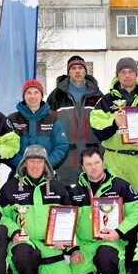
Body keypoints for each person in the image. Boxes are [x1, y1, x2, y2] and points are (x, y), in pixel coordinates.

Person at [0, 146, 73, 274]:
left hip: (48, 244)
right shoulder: (10, 187)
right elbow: (1, 216)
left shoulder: (57, 187)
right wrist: (14, 232)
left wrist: (62, 238)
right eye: (31, 161)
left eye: (39, 161)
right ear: (24, 163)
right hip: (23, 242)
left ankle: (40, 271)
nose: (35, 165)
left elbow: (67, 218)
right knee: (23, 256)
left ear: (45, 165)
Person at [89, 57, 138, 206]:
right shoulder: (106, 100)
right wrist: (114, 123)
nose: (127, 75)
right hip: (115, 161)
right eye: (123, 72)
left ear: (136, 74)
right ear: (117, 75)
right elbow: (96, 127)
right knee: (114, 208)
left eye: (131, 71)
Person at [68, 147, 138, 274]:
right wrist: (74, 249)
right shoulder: (75, 192)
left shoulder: (120, 185)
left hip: (110, 242)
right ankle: (91, 270)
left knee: (106, 255)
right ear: (82, 168)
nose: (93, 167)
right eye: (89, 164)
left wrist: (119, 231)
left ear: (103, 163)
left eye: (97, 162)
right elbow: (67, 223)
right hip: (86, 245)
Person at [45, 55, 103, 185]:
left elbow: (104, 127)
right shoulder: (56, 96)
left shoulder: (98, 96)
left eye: (80, 68)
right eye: (73, 68)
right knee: (67, 199)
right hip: (66, 159)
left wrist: (101, 153)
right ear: (68, 72)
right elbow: (48, 127)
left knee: (91, 198)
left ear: (85, 71)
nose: (77, 71)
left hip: (92, 158)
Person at [7, 79, 68, 173]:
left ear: (41, 95)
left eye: (36, 92)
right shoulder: (12, 119)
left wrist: (45, 165)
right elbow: (7, 147)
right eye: (28, 93)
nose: (32, 96)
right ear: (24, 96)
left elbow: (61, 146)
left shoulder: (53, 118)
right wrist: (23, 165)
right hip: (19, 173)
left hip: (46, 173)